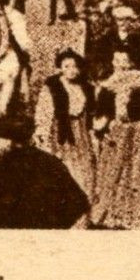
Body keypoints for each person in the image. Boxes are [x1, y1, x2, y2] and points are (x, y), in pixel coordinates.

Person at [90, 49, 140, 229]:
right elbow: (102, 113)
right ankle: (115, 215)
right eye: (116, 60)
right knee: (114, 172)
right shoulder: (108, 86)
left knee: (138, 172)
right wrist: (102, 128)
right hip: (118, 133)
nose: (120, 64)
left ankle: (139, 215)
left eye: (124, 60)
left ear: (132, 62)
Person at [0, 113, 90, 228]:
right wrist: (55, 228)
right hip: (44, 239)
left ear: (9, 142)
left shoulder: (7, 167)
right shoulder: (51, 162)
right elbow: (79, 204)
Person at [34, 49, 98, 198]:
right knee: (61, 165)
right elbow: (44, 110)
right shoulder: (52, 86)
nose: (71, 70)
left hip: (81, 133)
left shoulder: (87, 87)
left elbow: (91, 112)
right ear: (60, 68)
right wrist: (41, 131)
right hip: (59, 131)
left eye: (74, 66)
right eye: (66, 66)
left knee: (83, 167)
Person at [87, 4, 140, 82]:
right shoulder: (107, 38)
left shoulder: (139, 38)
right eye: (120, 20)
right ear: (115, 20)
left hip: (134, 77)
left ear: (130, 21)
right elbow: (98, 59)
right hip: (112, 77)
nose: (123, 23)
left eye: (126, 20)